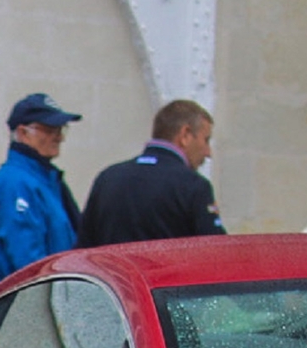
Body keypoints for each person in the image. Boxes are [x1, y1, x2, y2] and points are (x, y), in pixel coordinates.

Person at [81, 99, 227, 246]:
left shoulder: (107, 178)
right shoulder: (193, 186)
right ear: (185, 135)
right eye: (206, 140)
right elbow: (215, 251)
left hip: (111, 269)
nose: (208, 153)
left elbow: (83, 250)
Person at [0, 93, 85, 286]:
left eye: (61, 129)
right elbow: (29, 263)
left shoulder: (45, 180)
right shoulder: (16, 182)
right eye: (50, 130)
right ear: (23, 133)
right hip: (28, 305)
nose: (60, 137)